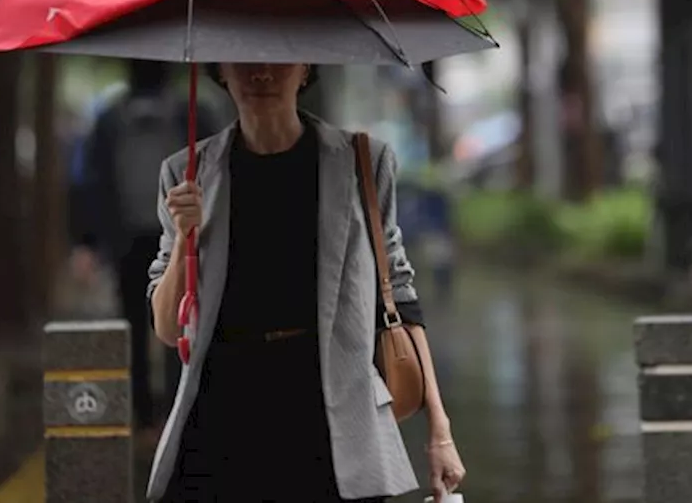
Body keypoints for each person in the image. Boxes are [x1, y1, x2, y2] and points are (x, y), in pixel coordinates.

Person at [146, 63, 467, 503]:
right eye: (245, 61)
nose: (262, 75)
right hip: (224, 414)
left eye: (280, 60)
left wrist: (439, 430)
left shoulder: (364, 162)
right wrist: (186, 236)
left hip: (334, 416)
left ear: (305, 71)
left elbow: (399, 295)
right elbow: (167, 328)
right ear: (221, 71)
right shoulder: (186, 174)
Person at [70, 61, 219, 443]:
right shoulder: (195, 114)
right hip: (179, 239)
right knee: (180, 324)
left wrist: (87, 241)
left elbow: (90, 181)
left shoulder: (109, 119)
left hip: (129, 237)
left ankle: (142, 416)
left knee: (136, 324)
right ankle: (173, 411)